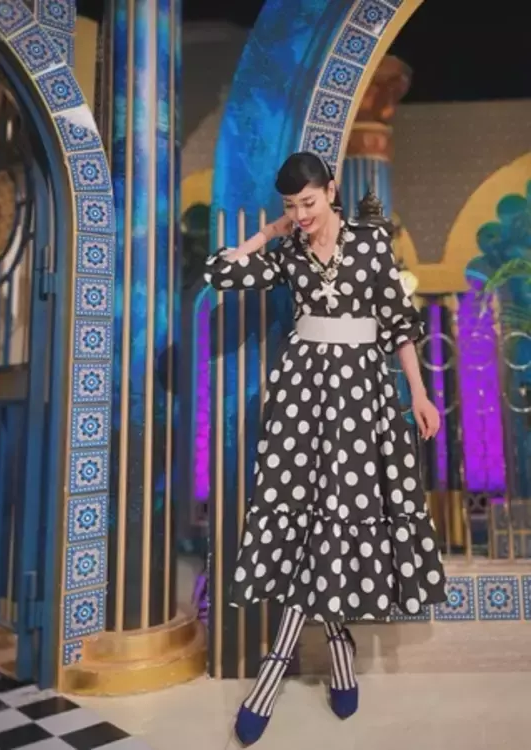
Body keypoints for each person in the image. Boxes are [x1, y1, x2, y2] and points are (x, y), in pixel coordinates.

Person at [203, 152, 445, 746]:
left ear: (331, 191)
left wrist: (418, 393)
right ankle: (335, 649)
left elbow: (399, 324)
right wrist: (269, 231)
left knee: (336, 514)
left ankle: (280, 666)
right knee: (308, 516)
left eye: (307, 203)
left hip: (360, 394)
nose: (301, 215)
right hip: (301, 395)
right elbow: (222, 272)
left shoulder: (370, 243)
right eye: (291, 206)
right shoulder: (287, 249)